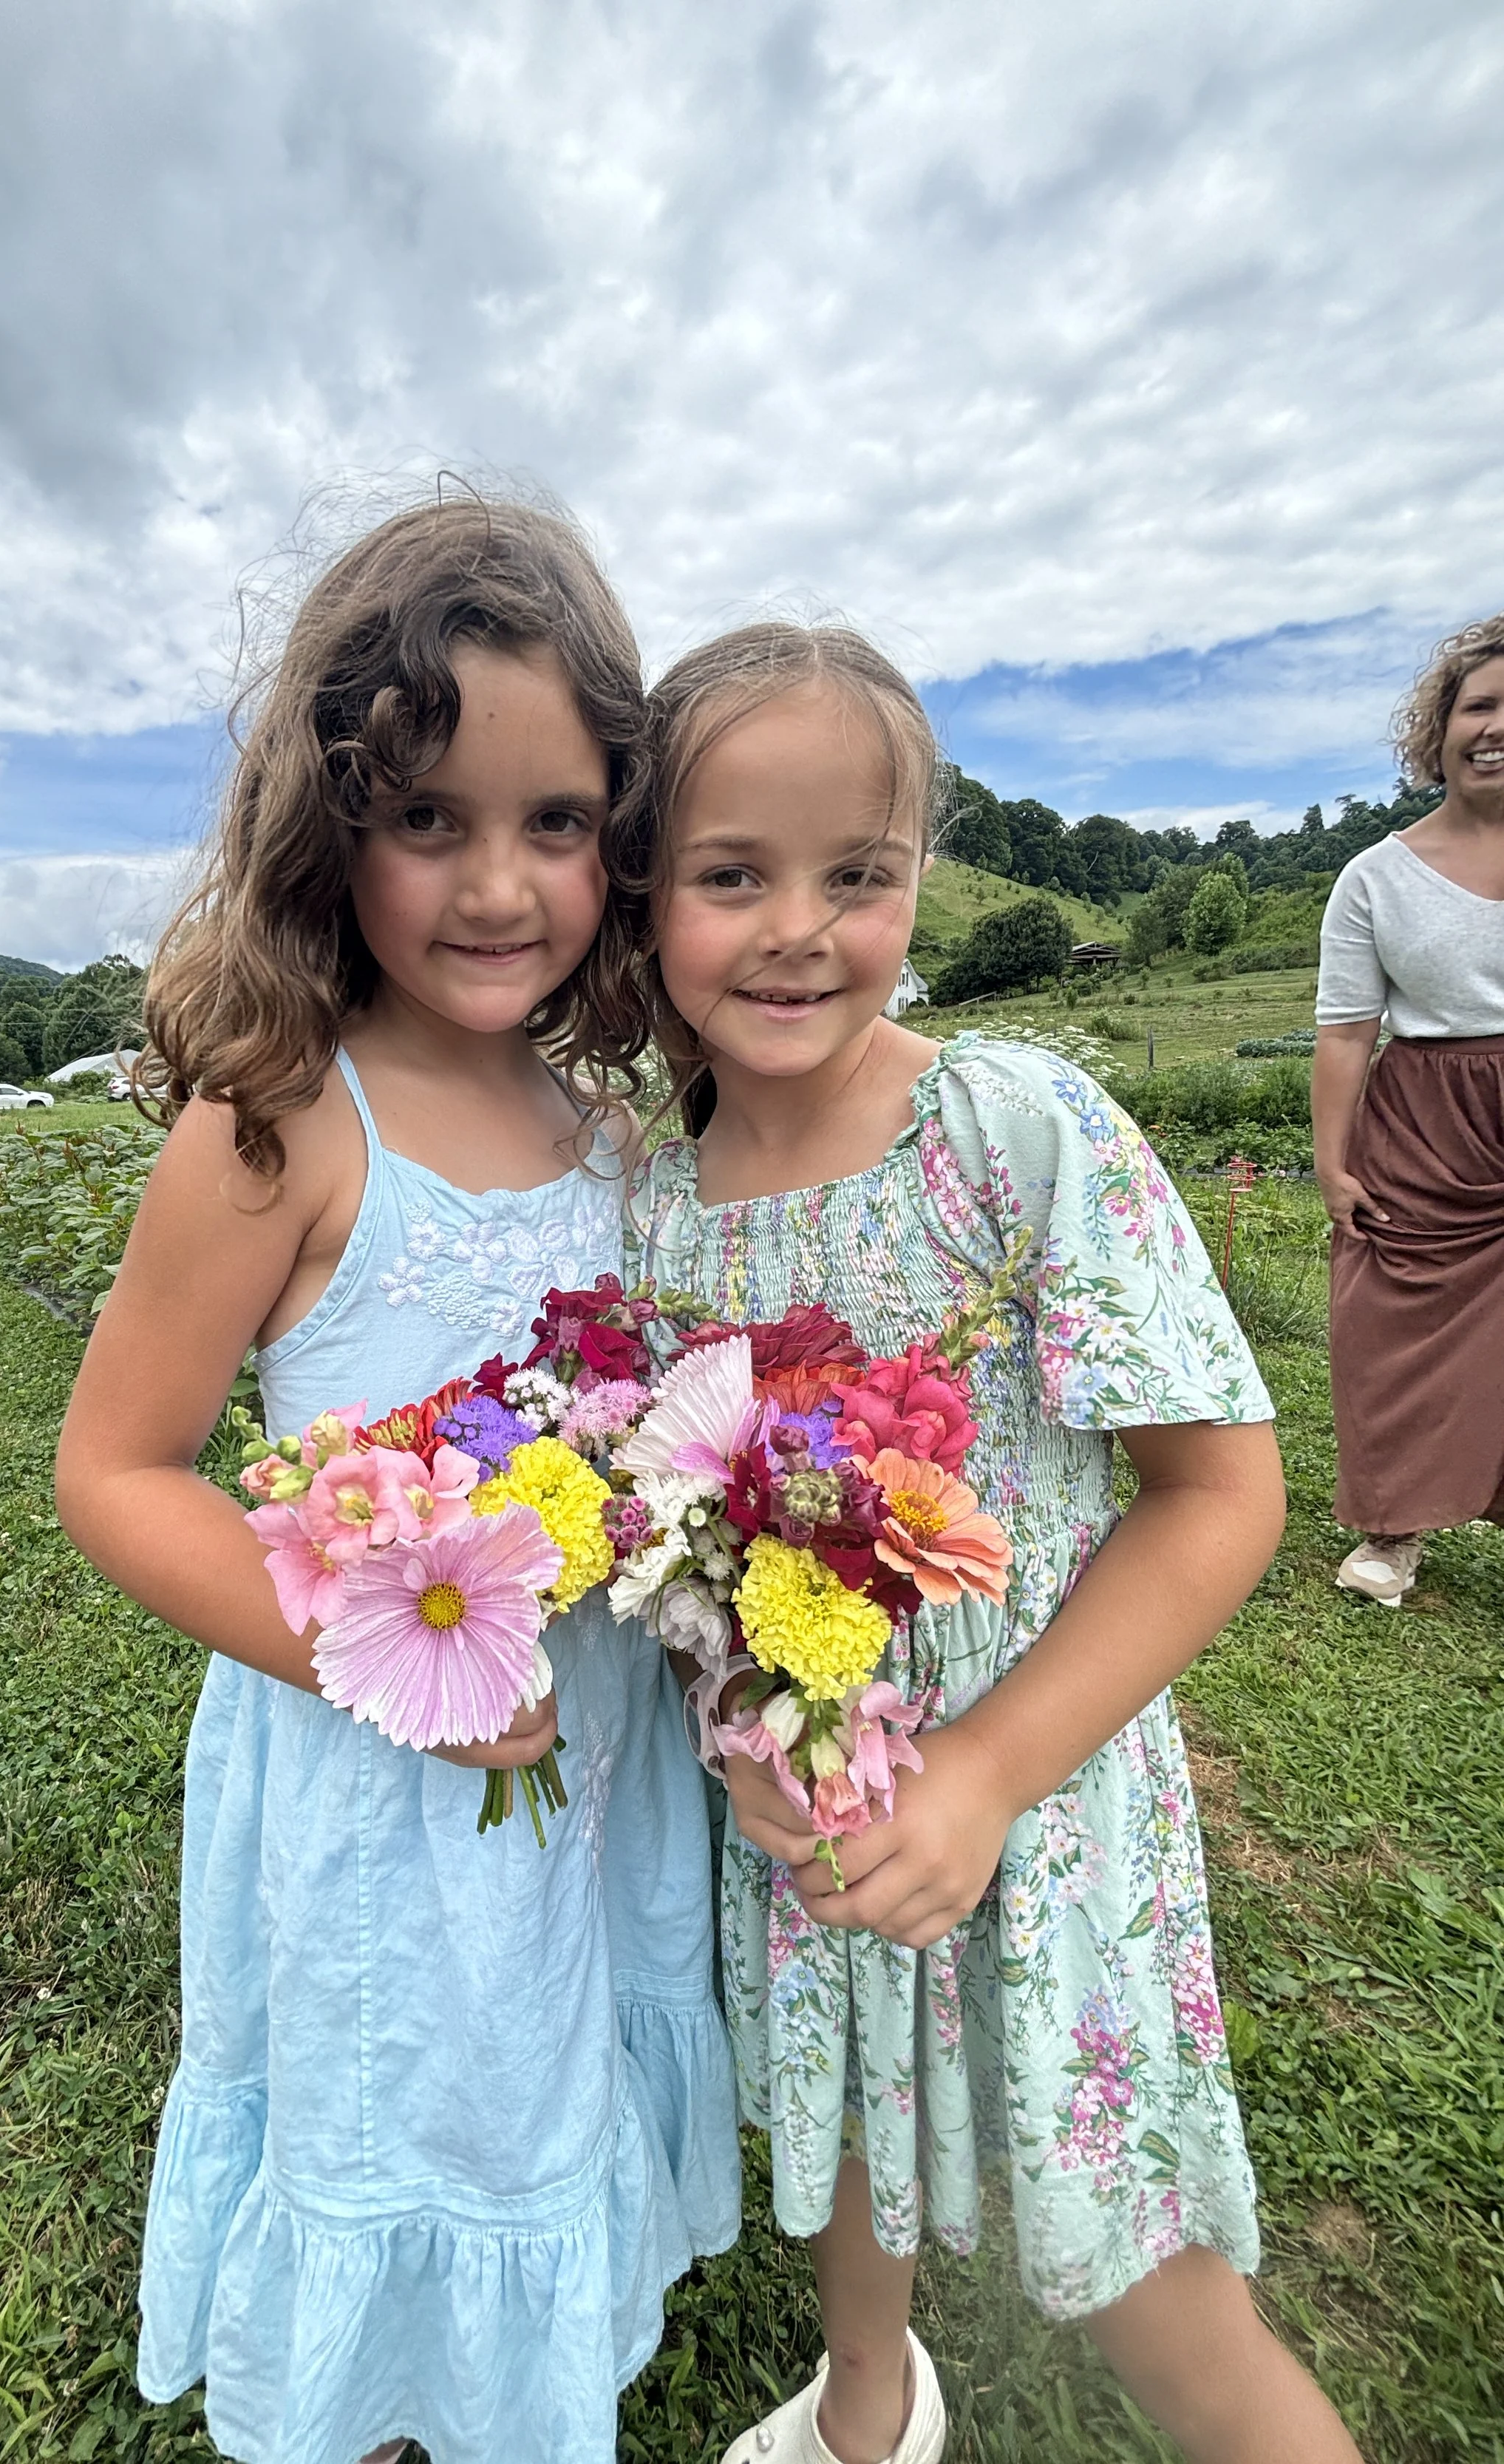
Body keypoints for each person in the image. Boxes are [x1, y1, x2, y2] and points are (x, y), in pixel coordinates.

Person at [625, 622, 1361, 2464]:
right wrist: (741, 1732)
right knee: (855, 2121)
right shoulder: (639, 1201)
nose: (798, 926)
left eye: (855, 874)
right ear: (639, 894)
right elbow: (674, 1526)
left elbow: (1219, 1491)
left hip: (1033, 1799)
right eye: (730, 875)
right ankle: (867, 2397)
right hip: (798, 1792)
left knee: (1134, 2249)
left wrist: (978, 1771)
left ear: (917, 881)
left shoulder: (1012, 1133)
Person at [55, 498, 738, 2464]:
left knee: (534, 2082)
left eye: (555, 821)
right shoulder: (280, 1115)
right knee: (394, 2097)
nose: (498, 884)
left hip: (578, 1745)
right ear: (326, 821)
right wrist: (376, 1654)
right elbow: (116, 1469)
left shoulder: (604, 1127)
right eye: (427, 819)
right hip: (375, 1765)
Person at [1312, 614, 1504, 1606]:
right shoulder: (1375, 877)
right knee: (1389, 1321)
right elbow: (1347, 1033)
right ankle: (1393, 1533)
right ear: (1440, 730)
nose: (1497, 727)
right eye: (1481, 705)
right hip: (1429, 1118)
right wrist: (1332, 1163)